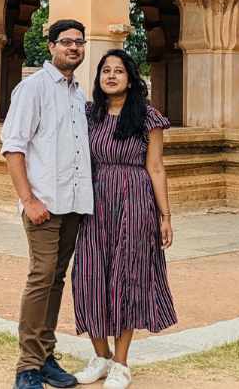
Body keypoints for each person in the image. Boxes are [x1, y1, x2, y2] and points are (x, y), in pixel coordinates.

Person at [72, 49, 177, 389]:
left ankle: (121, 363)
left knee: (126, 276)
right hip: (95, 201)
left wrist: (165, 215)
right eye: (105, 71)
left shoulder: (147, 117)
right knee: (89, 274)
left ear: (131, 78)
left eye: (119, 71)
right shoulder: (89, 115)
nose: (111, 76)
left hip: (134, 200)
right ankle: (100, 356)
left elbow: (156, 167)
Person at [0, 19, 94, 389]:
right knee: (41, 278)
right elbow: (14, 148)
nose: (74, 48)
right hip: (44, 205)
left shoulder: (77, 94)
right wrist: (28, 200)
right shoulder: (33, 89)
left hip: (72, 204)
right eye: (67, 42)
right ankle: (27, 366)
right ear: (51, 46)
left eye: (79, 43)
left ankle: (45, 356)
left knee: (56, 279)